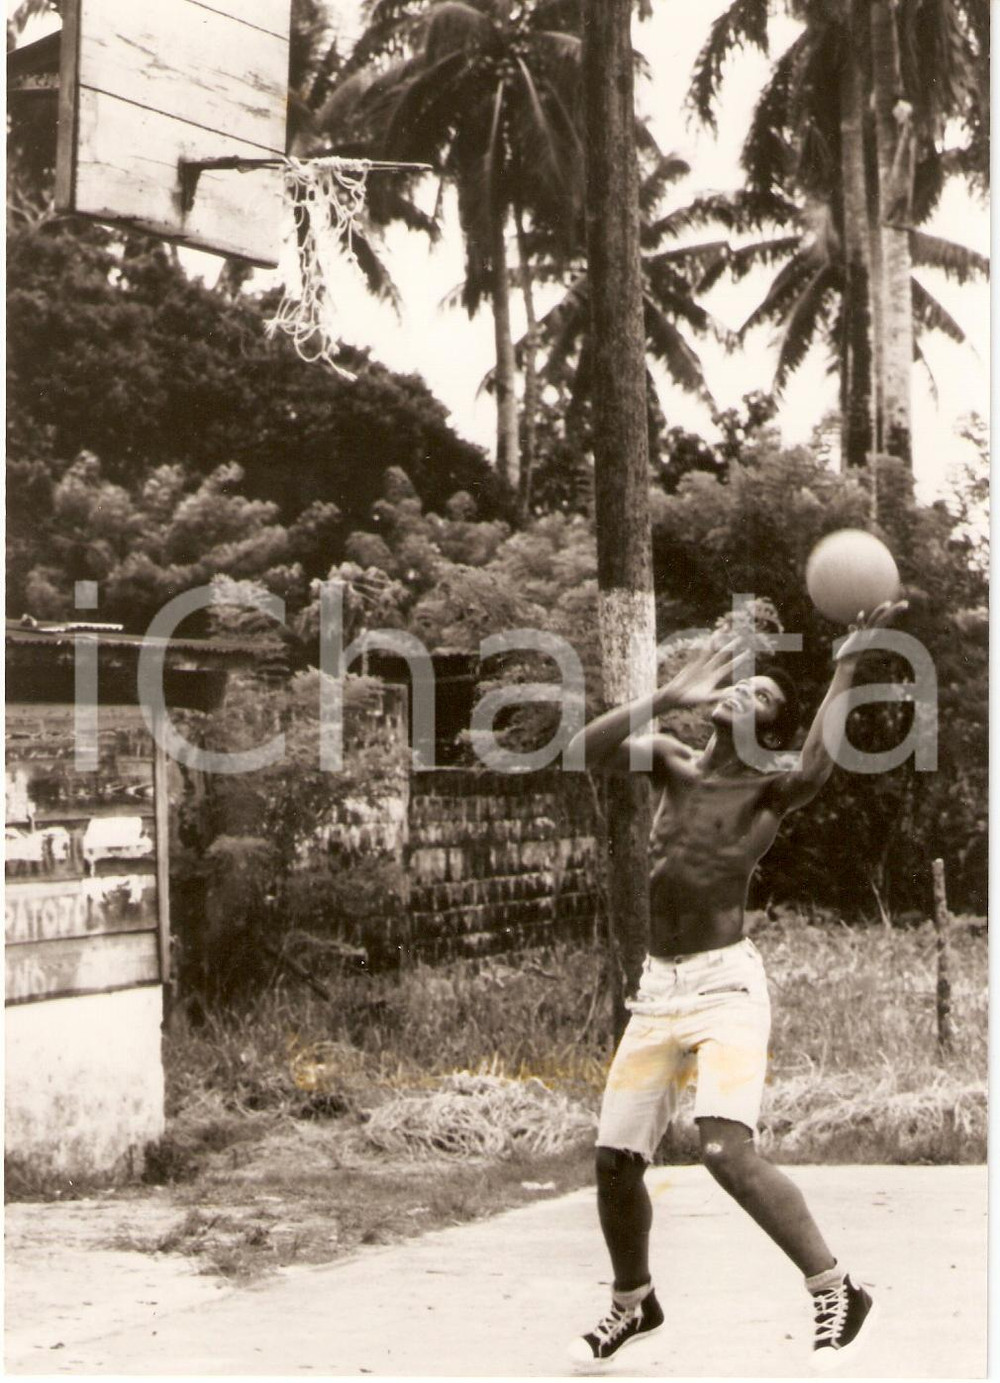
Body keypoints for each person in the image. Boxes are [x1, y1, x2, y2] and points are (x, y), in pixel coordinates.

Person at [566, 603, 904, 1370]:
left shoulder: (768, 787)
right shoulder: (667, 757)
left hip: (726, 986)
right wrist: (665, 694)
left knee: (723, 1148)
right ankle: (634, 1299)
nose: (742, 696)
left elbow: (818, 763)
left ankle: (836, 1286)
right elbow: (584, 750)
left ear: (770, 731)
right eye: (741, 687)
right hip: (658, 986)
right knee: (615, 1161)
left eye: (763, 700)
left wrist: (847, 663)